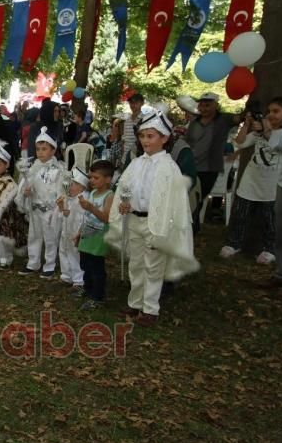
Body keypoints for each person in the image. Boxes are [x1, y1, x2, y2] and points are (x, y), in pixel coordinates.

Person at [107, 111, 199, 326]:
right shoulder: (137, 163)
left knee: (154, 266)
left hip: (156, 224)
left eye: (151, 136)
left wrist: (165, 230)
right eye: (143, 136)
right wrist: (123, 204)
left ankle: (150, 308)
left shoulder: (169, 168)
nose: (145, 141)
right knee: (136, 263)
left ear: (164, 138)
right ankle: (135, 302)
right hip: (135, 221)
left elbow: (174, 202)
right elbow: (125, 187)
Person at [220, 98, 282, 264]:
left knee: (270, 219)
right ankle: (234, 243)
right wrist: (247, 125)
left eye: (276, 111)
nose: (271, 115)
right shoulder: (259, 131)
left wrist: (265, 129)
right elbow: (240, 143)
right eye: (269, 111)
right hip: (251, 180)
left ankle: (269, 249)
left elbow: (278, 146)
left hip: (273, 184)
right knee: (241, 213)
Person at [185, 92, 241, 232]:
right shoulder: (194, 123)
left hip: (209, 169)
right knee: (189, 198)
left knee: (197, 198)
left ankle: (192, 228)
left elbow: (239, 118)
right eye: (202, 104)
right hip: (192, 167)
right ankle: (191, 228)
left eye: (208, 104)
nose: (204, 107)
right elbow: (189, 143)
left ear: (216, 105)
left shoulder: (224, 119)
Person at [18, 127, 66, 278]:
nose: (40, 152)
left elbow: (61, 189)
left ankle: (49, 264)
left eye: (44, 149)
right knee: (34, 236)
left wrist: (58, 206)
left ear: (53, 151)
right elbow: (26, 186)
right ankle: (33, 262)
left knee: (50, 238)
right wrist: (26, 192)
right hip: (35, 208)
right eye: (38, 149)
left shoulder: (58, 170)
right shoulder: (33, 169)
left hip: (50, 210)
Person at [75, 161, 115, 309]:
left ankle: (97, 296)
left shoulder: (109, 196)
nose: (91, 180)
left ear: (108, 179)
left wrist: (91, 207)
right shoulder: (92, 193)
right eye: (90, 177)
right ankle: (87, 288)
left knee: (97, 267)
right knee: (86, 264)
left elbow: (106, 218)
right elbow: (86, 216)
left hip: (98, 238)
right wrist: (79, 233)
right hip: (87, 235)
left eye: (96, 178)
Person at [56, 167, 89, 292]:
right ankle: (66, 275)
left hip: (76, 231)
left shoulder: (83, 199)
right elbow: (65, 215)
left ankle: (78, 279)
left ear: (83, 187)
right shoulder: (68, 197)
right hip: (66, 231)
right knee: (63, 251)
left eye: (74, 184)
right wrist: (61, 207)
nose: (70, 186)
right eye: (70, 183)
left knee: (75, 254)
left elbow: (84, 217)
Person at [122, 93, 145, 162]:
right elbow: (124, 140)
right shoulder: (127, 121)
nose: (133, 104)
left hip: (139, 158)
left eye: (136, 102)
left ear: (142, 103)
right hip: (125, 158)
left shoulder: (145, 120)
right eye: (131, 102)